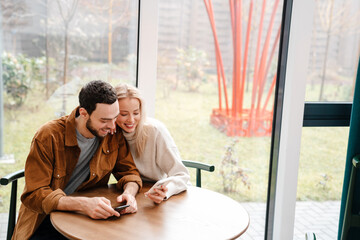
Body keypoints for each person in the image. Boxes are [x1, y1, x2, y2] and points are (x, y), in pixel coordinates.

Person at [12, 80, 142, 240]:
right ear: (84, 113)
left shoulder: (113, 133)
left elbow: (129, 173)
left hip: (87, 220)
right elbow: (34, 194)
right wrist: (83, 204)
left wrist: (129, 194)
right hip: (44, 219)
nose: (112, 126)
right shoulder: (48, 136)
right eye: (104, 120)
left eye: (115, 117)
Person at [114, 83, 190, 204]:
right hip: (128, 193)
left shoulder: (154, 131)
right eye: (123, 114)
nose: (131, 120)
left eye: (136, 113)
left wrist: (166, 191)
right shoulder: (110, 134)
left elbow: (182, 175)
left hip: (157, 196)